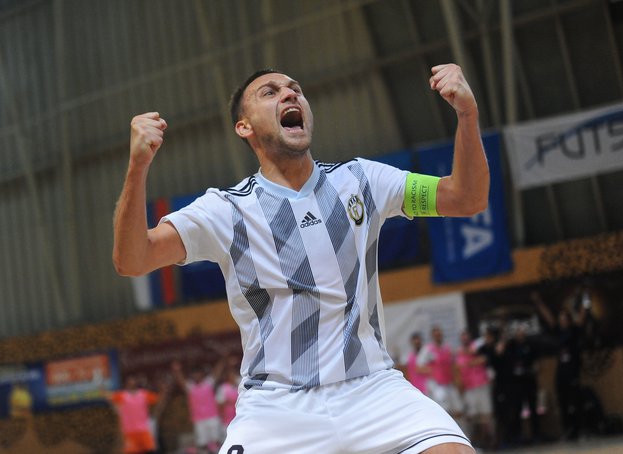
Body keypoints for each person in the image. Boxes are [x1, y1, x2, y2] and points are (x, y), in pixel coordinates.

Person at [113, 62, 489, 453]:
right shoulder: (225, 211)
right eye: (270, 92)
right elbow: (133, 260)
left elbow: (466, 198)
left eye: (295, 89)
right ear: (245, 127)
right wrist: (137, 167)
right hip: (277, 408)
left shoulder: (362, 181)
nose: (291, 94)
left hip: (374, 389)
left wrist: (467, 114)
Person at [534, 290, 585, 440]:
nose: (562, 321)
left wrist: (585, 298)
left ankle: (580, 429)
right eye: (560, 318)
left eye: (564, 318)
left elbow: (581, 319)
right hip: (561, 372)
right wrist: (539, 303)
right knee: (562, 402)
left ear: (569, 320)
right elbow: (549, 318)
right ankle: (568, 430)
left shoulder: (574, 331)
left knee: (576, 401)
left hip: (573, 371)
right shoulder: (558, 331)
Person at [171, 361, 224, 454]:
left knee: (216, 441)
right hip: (199, 420)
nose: (196, 376)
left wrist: (223, 360)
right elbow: (181, 381)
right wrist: (177, 371)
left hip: (212, 417)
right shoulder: (190, 387)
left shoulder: (208, 383)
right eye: (194, 374)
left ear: (202, 374)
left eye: (198, 374)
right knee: (202, 444)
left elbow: (217, 372)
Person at [455, 330, 494, 449]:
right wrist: (472, 361)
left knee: (486, 413)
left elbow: (483, 358)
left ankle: (490, 440)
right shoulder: (459, 353)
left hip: (482, 384)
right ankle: (475, 442)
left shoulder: (477, 347)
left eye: (467, 338)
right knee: (472, 415)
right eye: (463, 338)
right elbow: (462, 365)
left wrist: (472, 360)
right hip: (469, 387)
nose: (465, 340)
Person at [417, 326, 464, 419]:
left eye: (440, 334)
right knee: (444, 410)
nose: (438, 336)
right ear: (432, 336)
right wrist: (432, 370)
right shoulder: (428, 349)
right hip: (437, 385)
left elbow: (453, 365)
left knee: (458, 409)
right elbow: (419, 367)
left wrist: (457, 380)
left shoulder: (447, 347)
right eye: (436, 335)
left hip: (449, 383)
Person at [108, 375, 159, 454]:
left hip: (142, 430)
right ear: (126, 385)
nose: (131, 383)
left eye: (133, 381)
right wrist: (100, 387)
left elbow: (156, 398)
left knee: (150, 450)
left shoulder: (143, 394)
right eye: (129, 382)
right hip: (130, 432)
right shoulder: (122, 396)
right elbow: (109, 397)